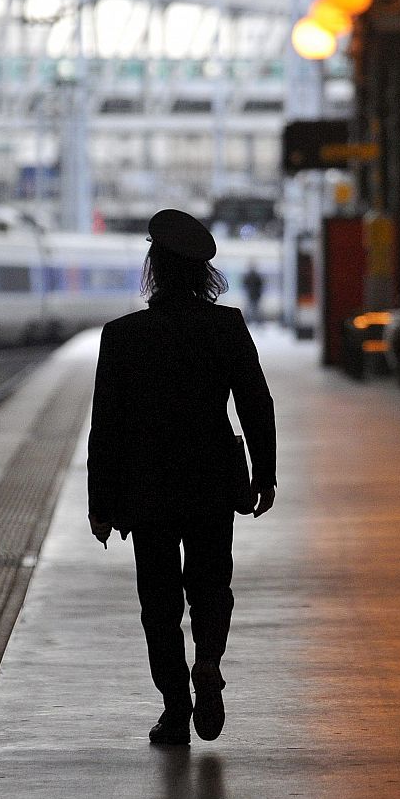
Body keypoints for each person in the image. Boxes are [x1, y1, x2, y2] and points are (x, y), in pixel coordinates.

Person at [88, 209, 277, 747]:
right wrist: (265, 473)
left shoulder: (123, 336)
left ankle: (175, 709)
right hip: (212, 483)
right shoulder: (226, 327)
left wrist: (100, 501)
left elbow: (107, 427)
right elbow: (255, 404)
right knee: (212, 587)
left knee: (160, 603)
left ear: (154, 266)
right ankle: (209, 665)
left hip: (147, 490)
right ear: (202, 275)